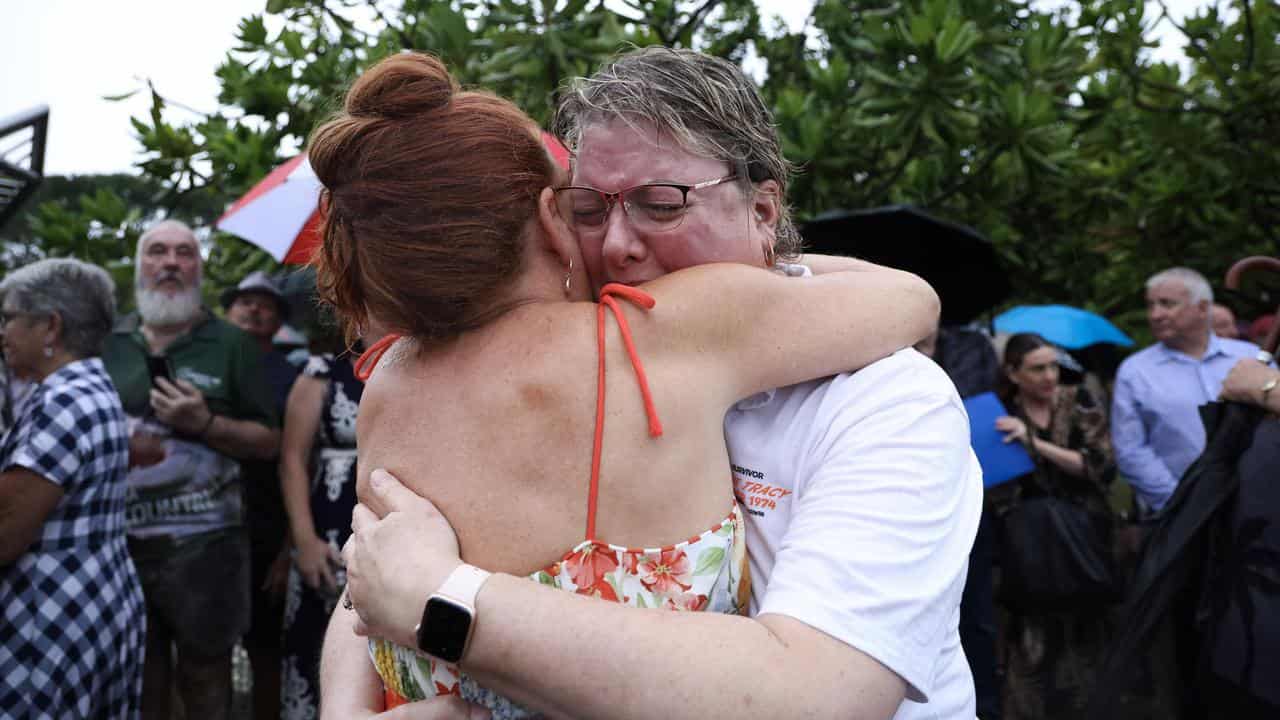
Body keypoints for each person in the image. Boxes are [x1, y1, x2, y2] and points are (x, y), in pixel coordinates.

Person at [326, 47, 982, 720]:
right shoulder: (598, 343)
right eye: (586, 207)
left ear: (762, 210)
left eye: (661, 205)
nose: (616, 245)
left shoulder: (885, 398)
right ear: (551, 221)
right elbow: (380, 569)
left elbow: (820, 696)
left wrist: (447, 601)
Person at [102, 220, 281, 720]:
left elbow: (270, 442)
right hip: (118, 549)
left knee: (205, 681)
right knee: (140, 679)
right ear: (140, 265)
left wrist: (205, 423)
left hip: (209, 553)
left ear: (198, 268)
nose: (171, 263)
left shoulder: (231, 343)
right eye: (158, 252)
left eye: (185, 253)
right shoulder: (107, 341)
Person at [0, 259, 144, 718]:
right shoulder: (91, 387)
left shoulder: (63, 401)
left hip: (47, 619)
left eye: (9, 318)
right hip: (89, 603)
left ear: (49, 327)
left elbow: (6, 533)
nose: (3, 331)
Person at [989, 333, 1115, 719]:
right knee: (1031, 642)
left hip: (1083, 534)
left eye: (1053, 366)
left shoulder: (1078, 401)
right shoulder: (1001, 412)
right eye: (1037, 368)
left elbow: (1101, 467)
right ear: (1013, 373)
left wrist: (1034, 443)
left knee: (1090, 634)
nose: (1049, 376)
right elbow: (995, 487)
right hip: (1029, 545)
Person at [1111, 267, 1262, 514]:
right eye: (1150, 305)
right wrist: (1180, 501)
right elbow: (1130, 450)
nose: (1155, 314)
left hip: (1255, 505)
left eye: (1167, 304)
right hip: (1179, 514)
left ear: (1202, 308)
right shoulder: (1135, 371)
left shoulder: (1250, 358)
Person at [222, 270, 303, 720]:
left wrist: (289, 547)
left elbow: (301, 466)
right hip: (210, 526)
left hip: (269, 525)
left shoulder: (291, 378)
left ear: (277, 320)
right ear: (228, 312)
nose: (253, 309)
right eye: (244, 301)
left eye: (265, 304)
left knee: (267, 647)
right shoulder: (206, 370)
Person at [279, 348, 363, 718]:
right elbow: (292, 460)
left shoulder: (425, 359)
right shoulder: (322, 372)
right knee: (313, 650)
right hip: (325, 534)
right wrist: (304, 541)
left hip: (386, 535)